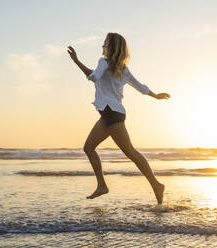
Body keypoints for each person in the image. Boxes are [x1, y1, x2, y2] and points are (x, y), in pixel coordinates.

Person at [67, 32, 170, 204]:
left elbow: (94, 76)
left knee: (96, 148)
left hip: (110, 113)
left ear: (111, 47)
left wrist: (77, 62)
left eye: (105, 43)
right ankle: (155, 185)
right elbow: (141, 88)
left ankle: (104, 185)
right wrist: (156, 96)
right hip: (115, 113)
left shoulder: (103, 63)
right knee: (124, 150)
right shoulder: (124, 69)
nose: (102, 46)